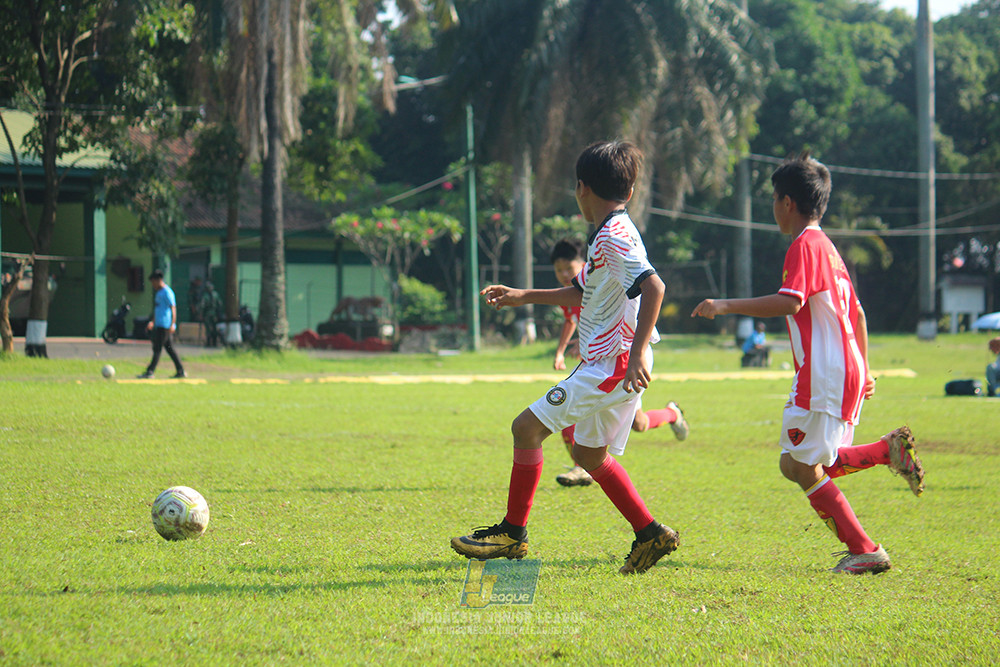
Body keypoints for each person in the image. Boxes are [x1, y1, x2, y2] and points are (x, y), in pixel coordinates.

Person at [451, 140, 680, 574]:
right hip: (613, 363)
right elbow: (581, 292)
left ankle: (511, 534)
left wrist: (633, 358)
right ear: (628, 192)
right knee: (591, 456)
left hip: (611, 364)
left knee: (525, 428)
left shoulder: (612, 237)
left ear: (581, 188)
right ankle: (650, 534)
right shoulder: (612, 232)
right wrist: (524, 296)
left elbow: (655, 287)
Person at [692, 154, 925, 575]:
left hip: (824, 375)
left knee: (800, 465)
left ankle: (865, 548)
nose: (773, 208)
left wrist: (725, 305)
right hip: (844, 371)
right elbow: (858, 316)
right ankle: (884, 451)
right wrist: (865, 369)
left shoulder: (804, 245)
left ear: (787, 202)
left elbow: (790, 301)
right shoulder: (829, 250)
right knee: (795, 463)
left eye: (774, 200)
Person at [550, 238, 689, 488]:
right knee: (632, 422)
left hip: (623, 357)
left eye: (567, 269)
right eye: (558, 270)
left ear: (583, 263)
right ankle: (582, 467)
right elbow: (572, 319)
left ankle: (672, 414)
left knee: (631, 422)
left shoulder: (596, 276)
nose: (562, 274)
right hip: (599, 361)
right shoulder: (571, 289)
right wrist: (562, 350)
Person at [138, 270, 186, 379]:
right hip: (158, 324)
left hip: (165, 325)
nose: (153, 285)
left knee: (157, 348)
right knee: (169, 349)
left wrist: (172, 324)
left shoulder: (167, 292)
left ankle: (150, 372)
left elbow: (173, 308)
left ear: (159, 280)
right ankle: (181, 371)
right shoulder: (159, 293)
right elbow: (157, 309)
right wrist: (152, 322)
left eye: (153, 282)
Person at [199, 281, 222, 347]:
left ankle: (209, 343)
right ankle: (214, 343)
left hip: (208, 314)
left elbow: (202, 305)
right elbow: (220, 304)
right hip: (214, 314)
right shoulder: (216, 294)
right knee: (214, 328)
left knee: (208, 328)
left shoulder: (205, 296)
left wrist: (201, 314)